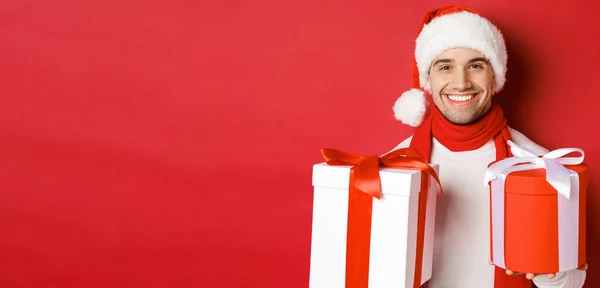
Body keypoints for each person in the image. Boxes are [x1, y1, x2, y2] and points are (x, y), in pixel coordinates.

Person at [389, 5, 588, 288]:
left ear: (494, 76)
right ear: (428, 79)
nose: (460, 83)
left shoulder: (544, 169)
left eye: (476, 65)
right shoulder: (389, 171)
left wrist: (552, 273)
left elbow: (572, 282)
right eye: (445, 66)